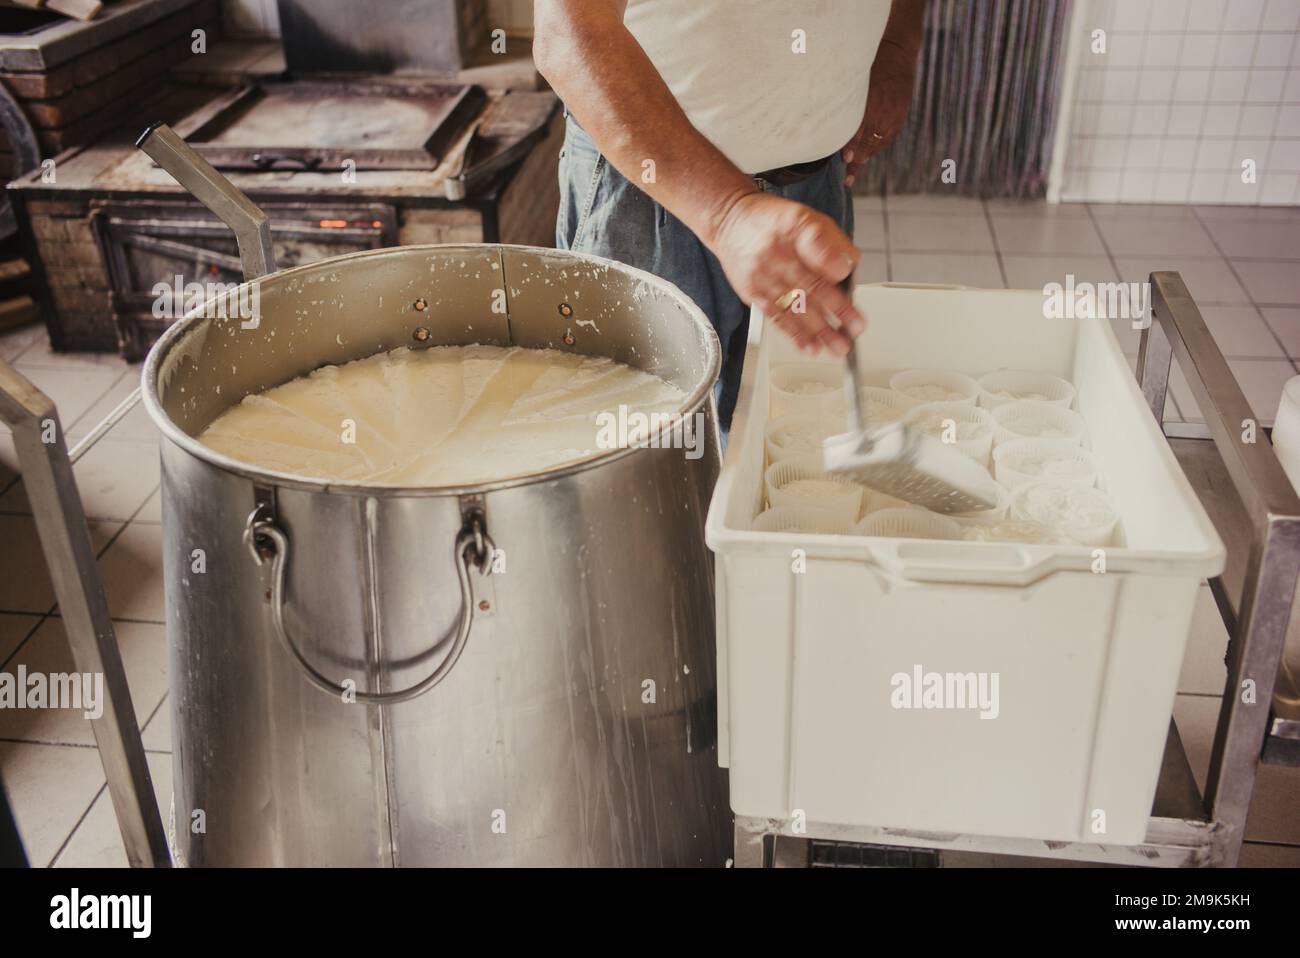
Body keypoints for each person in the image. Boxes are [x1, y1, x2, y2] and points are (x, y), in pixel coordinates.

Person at [534, 0, 926, 429]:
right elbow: (567, 31)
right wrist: (728, 214)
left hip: (816, 183)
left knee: (783, 433)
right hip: (649, 192)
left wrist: (896, 47)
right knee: (644, 443)